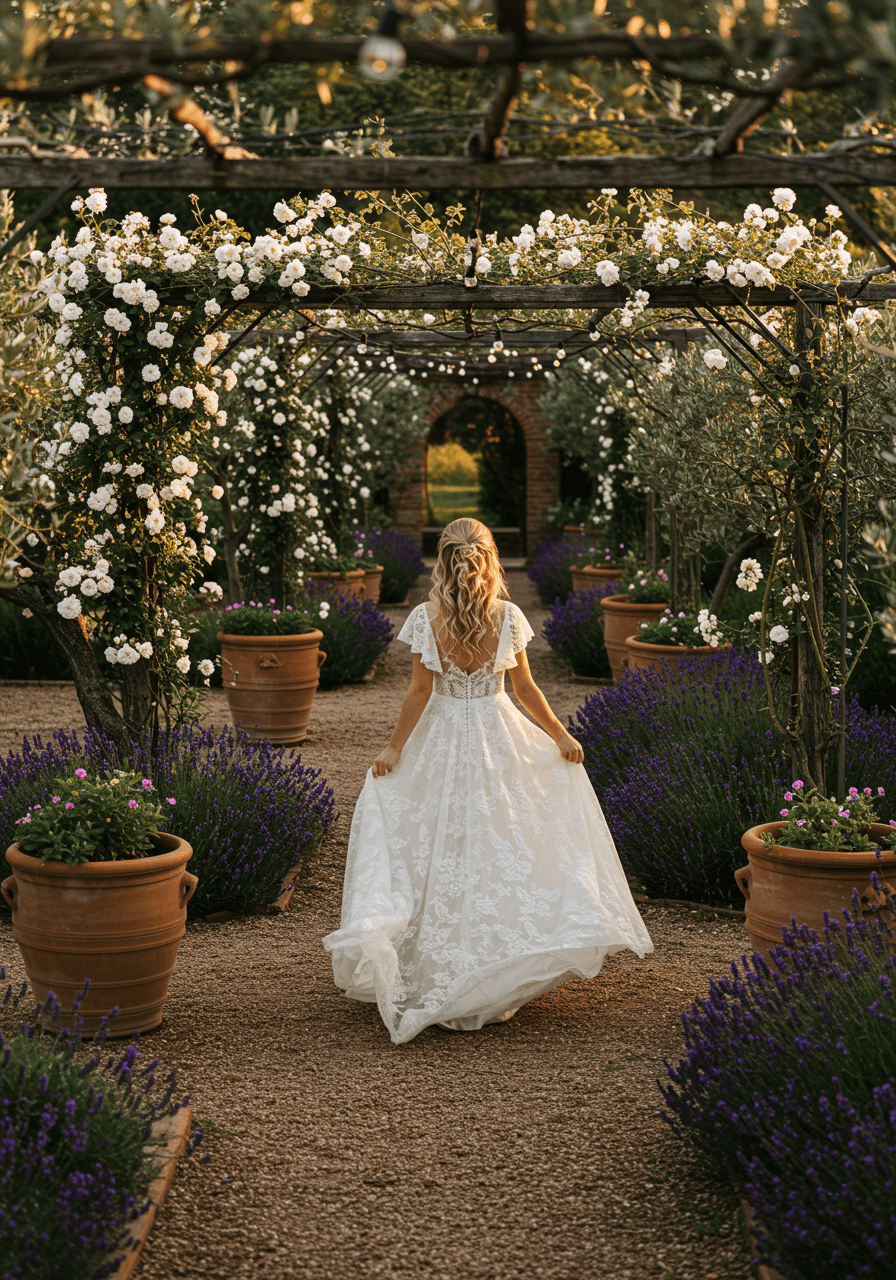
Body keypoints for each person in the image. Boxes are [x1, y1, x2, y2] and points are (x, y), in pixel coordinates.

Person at [323, 518, 653, 1044]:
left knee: (441, 841)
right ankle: (494, 965)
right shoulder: (509, 615)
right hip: (499, 733)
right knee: (507, 836)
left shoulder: (426, 616)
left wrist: (394, 749)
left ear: (443, 561)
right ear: (490, 557)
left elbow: (419, 693)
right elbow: (524, 688)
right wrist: (560, 736)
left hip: (443, 730)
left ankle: (443, 962)